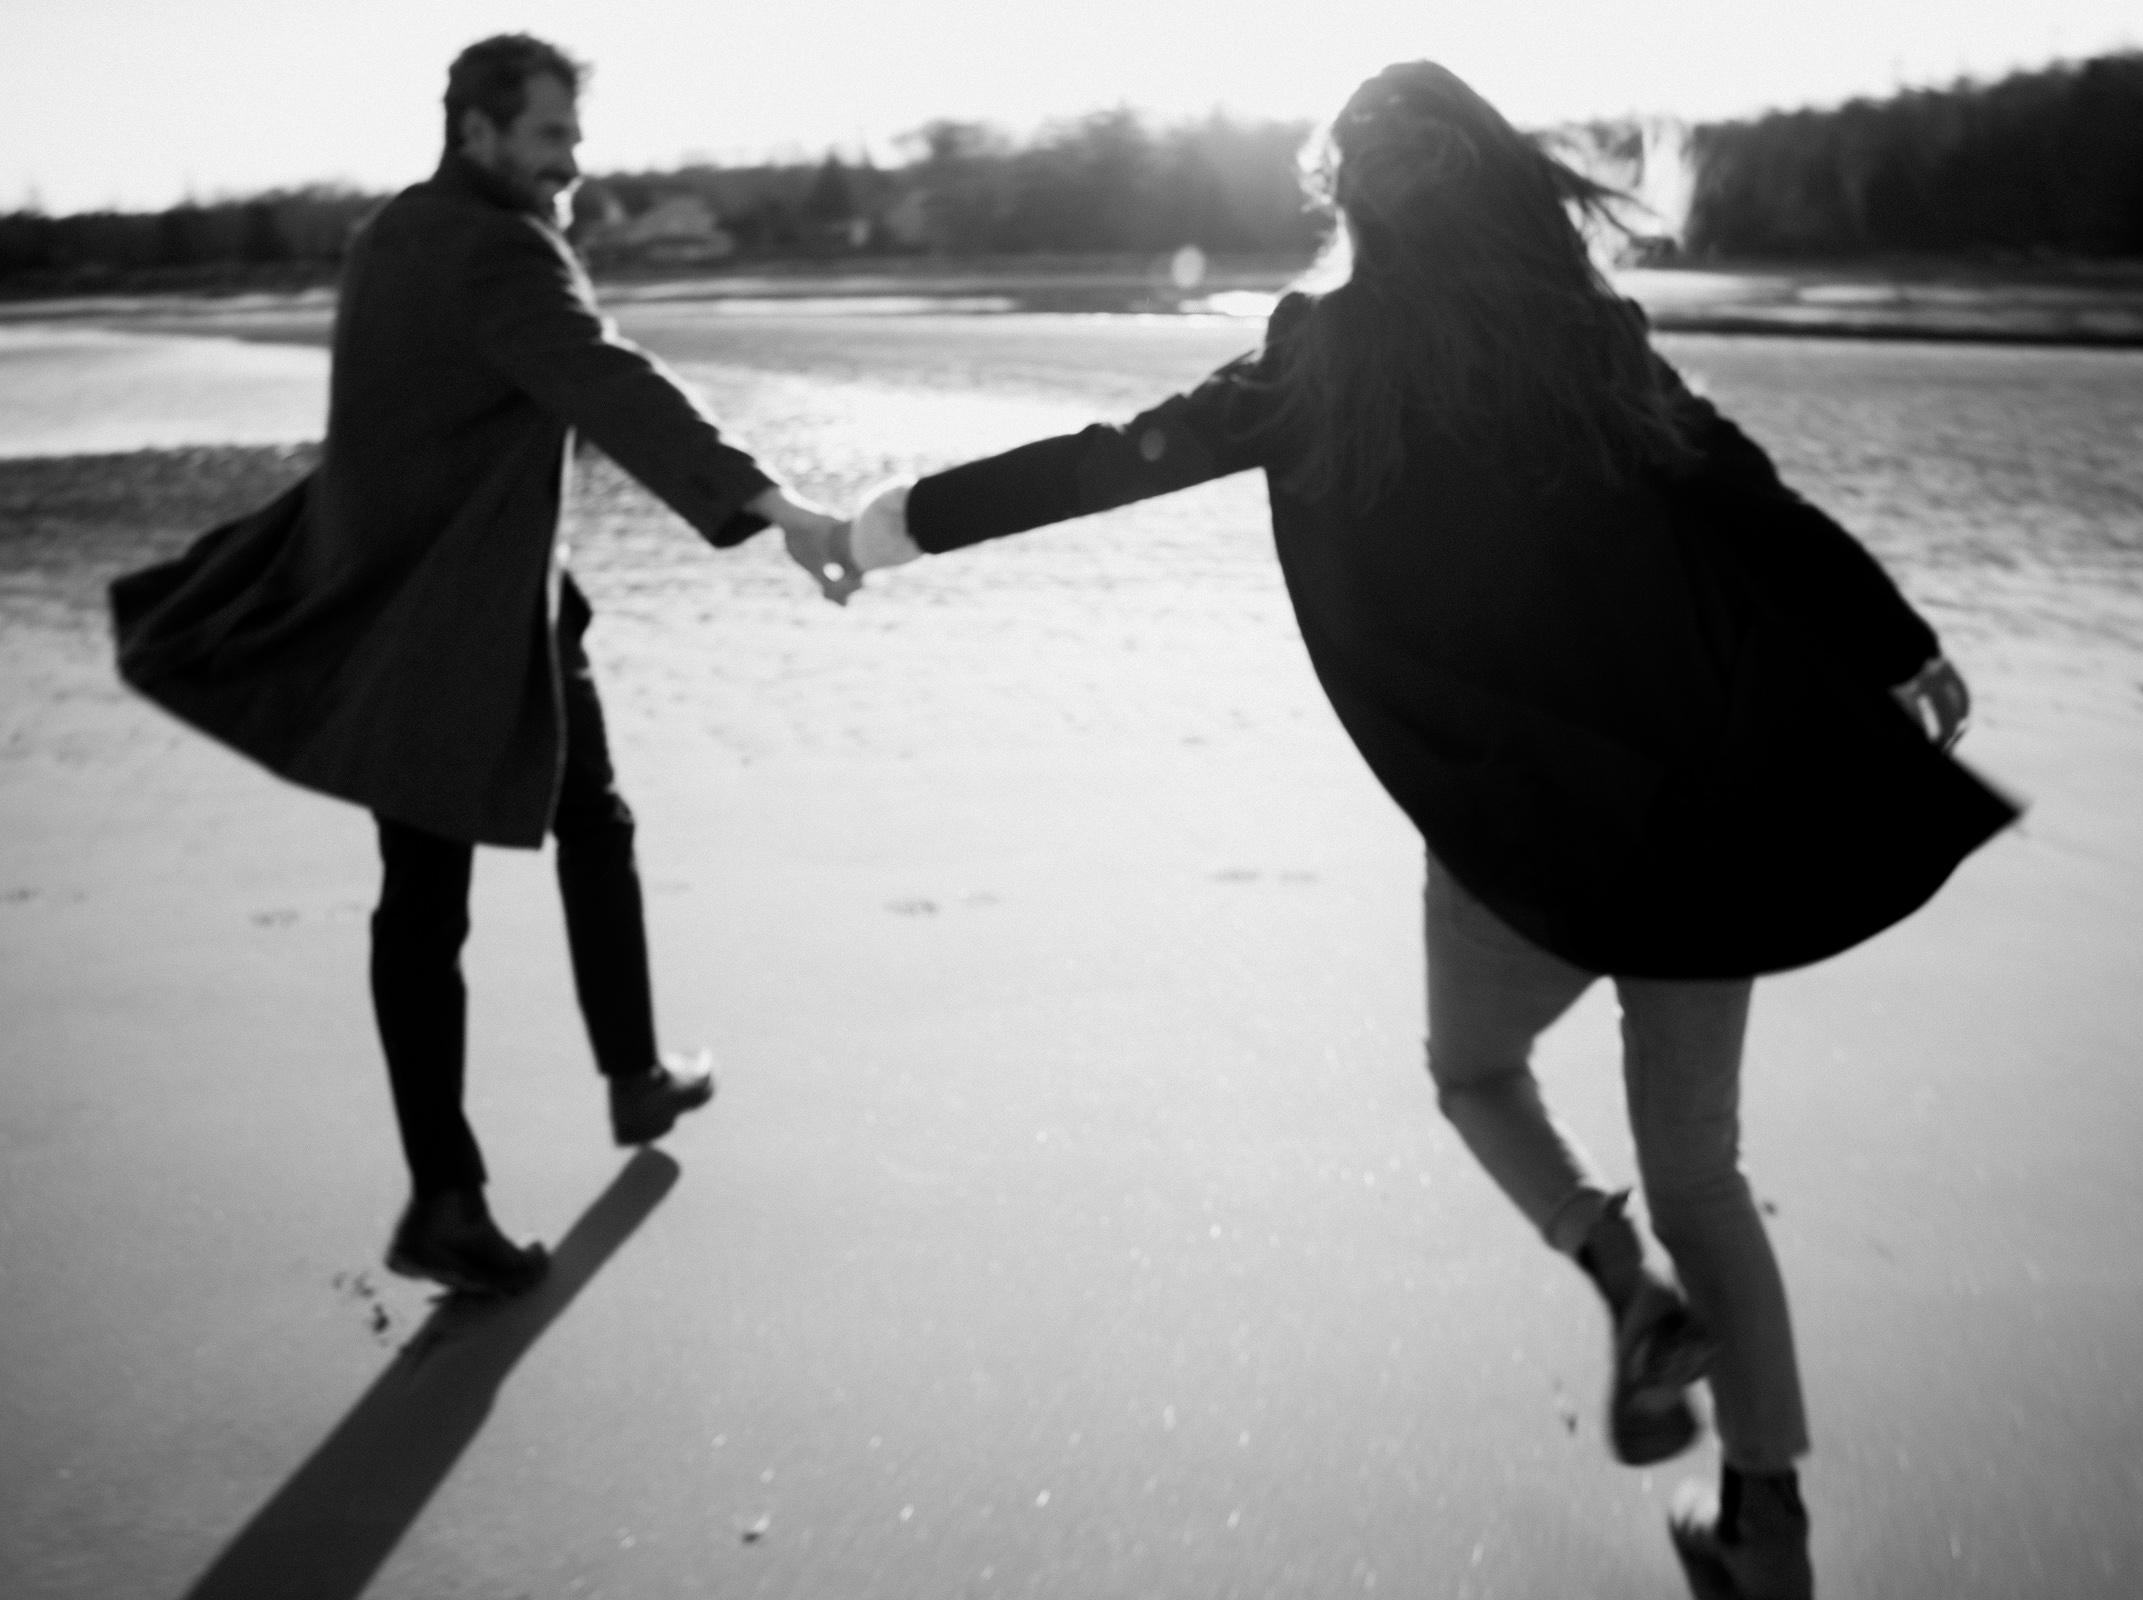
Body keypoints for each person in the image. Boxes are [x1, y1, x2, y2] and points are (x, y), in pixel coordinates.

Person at [832, 61, 2016, 1600]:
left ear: (1349, 200)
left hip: (1521, 845)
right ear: (1502, 185)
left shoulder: (1321, 358)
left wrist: (883, 526)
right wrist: (1902, 643)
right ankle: (1768, 1523)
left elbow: (1110, 461)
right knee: (1705, 1170)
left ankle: (1622, 1286)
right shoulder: (1590, 344)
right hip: (1705, 819)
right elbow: (1750, 499)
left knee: (1475, 1075)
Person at [110, 34, 850, 1298]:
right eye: (552, 137)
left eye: (574, 135)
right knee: (429, 899)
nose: (572, 161)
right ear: (479, 132)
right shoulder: (497, 251)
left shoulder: (392, 232)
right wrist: (769, 504)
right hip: (443, 621)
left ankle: (631, 1075)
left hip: (491, 597)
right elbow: (606, 381)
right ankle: (447, 1198)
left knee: (580, 820)